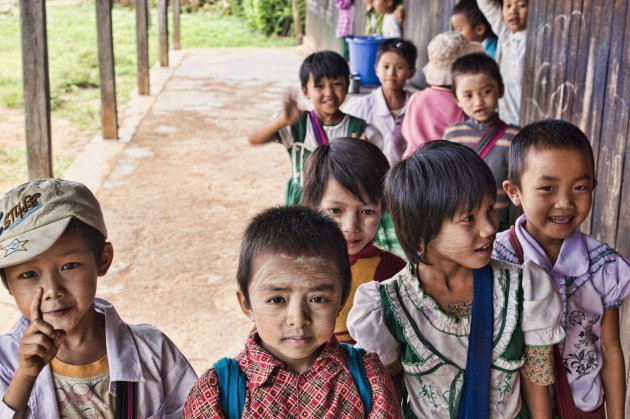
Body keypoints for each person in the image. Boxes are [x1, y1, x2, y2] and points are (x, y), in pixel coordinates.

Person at [348, 141, 566, 418]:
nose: (489, 227)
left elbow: (537, 379)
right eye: (469, 219)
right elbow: (389, 389)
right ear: (421, 234)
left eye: (489, 208)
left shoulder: (524, 289)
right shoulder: (388, 306)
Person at [0, 178, 197, 418]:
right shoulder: (4, 361)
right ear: (7, 284)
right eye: (28, 274)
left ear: (102, 260)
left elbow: (194, 411)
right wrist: (26, 375)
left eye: (69, 265)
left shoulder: (154, 351)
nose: (52, 290)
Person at [183, 206, 400, 417]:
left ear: (341, 301)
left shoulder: (369, 379)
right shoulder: (216, 392)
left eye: (318, 299)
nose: (298, 319)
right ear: (246, 304)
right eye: (277, 299)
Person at [493, 120, 630, 418]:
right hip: (515, 410)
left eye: (580, 187)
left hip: (583, 406)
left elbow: (611, 350)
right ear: (514, 191)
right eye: (548, 188)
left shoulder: (604, 267)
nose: (565, 202)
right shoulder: (494, 258)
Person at [302, 138, 406, 344]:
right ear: (313, 206)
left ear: (383, 209)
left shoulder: (394, 273)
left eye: (367, 211)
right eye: (335, 211)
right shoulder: (290, 263)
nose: (351, 226)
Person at [248, 51, 367, 206]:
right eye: (319, 86)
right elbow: (254, 139)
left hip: (340, 206)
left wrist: (364, 152)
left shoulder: (358, 128)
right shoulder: (297, 124)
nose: (329, 92)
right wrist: (282, 121)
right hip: (301, 205)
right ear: (305, 91)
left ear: (347, 85)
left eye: (336, 84)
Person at [443, 52, 519, 230]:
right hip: (462, 223)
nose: (478, 102)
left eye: (486, 91)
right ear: (457, 100)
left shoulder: (514, 137)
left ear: (500, 90)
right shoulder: (453, 134)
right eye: (468, 95)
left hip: (500, 226)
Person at [401, 31, 483, 158]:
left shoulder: (416, 98)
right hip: (447, 168)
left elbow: (406, 133)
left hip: (412, 166)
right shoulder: (462, 104)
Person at [342, 38, 417, 165]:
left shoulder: (418, 106)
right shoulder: (359, 107)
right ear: (376, 69)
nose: (391, 73)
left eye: (399, 67)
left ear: (411, 72)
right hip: (371, 178)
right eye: (386, 66)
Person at [477, 0, 528, 125]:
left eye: (521, 5)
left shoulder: (534, 38)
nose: (513, 11)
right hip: (505, 119)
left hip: (526, 119)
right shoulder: (506, 34)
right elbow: (486, 3)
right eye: (508, 5)